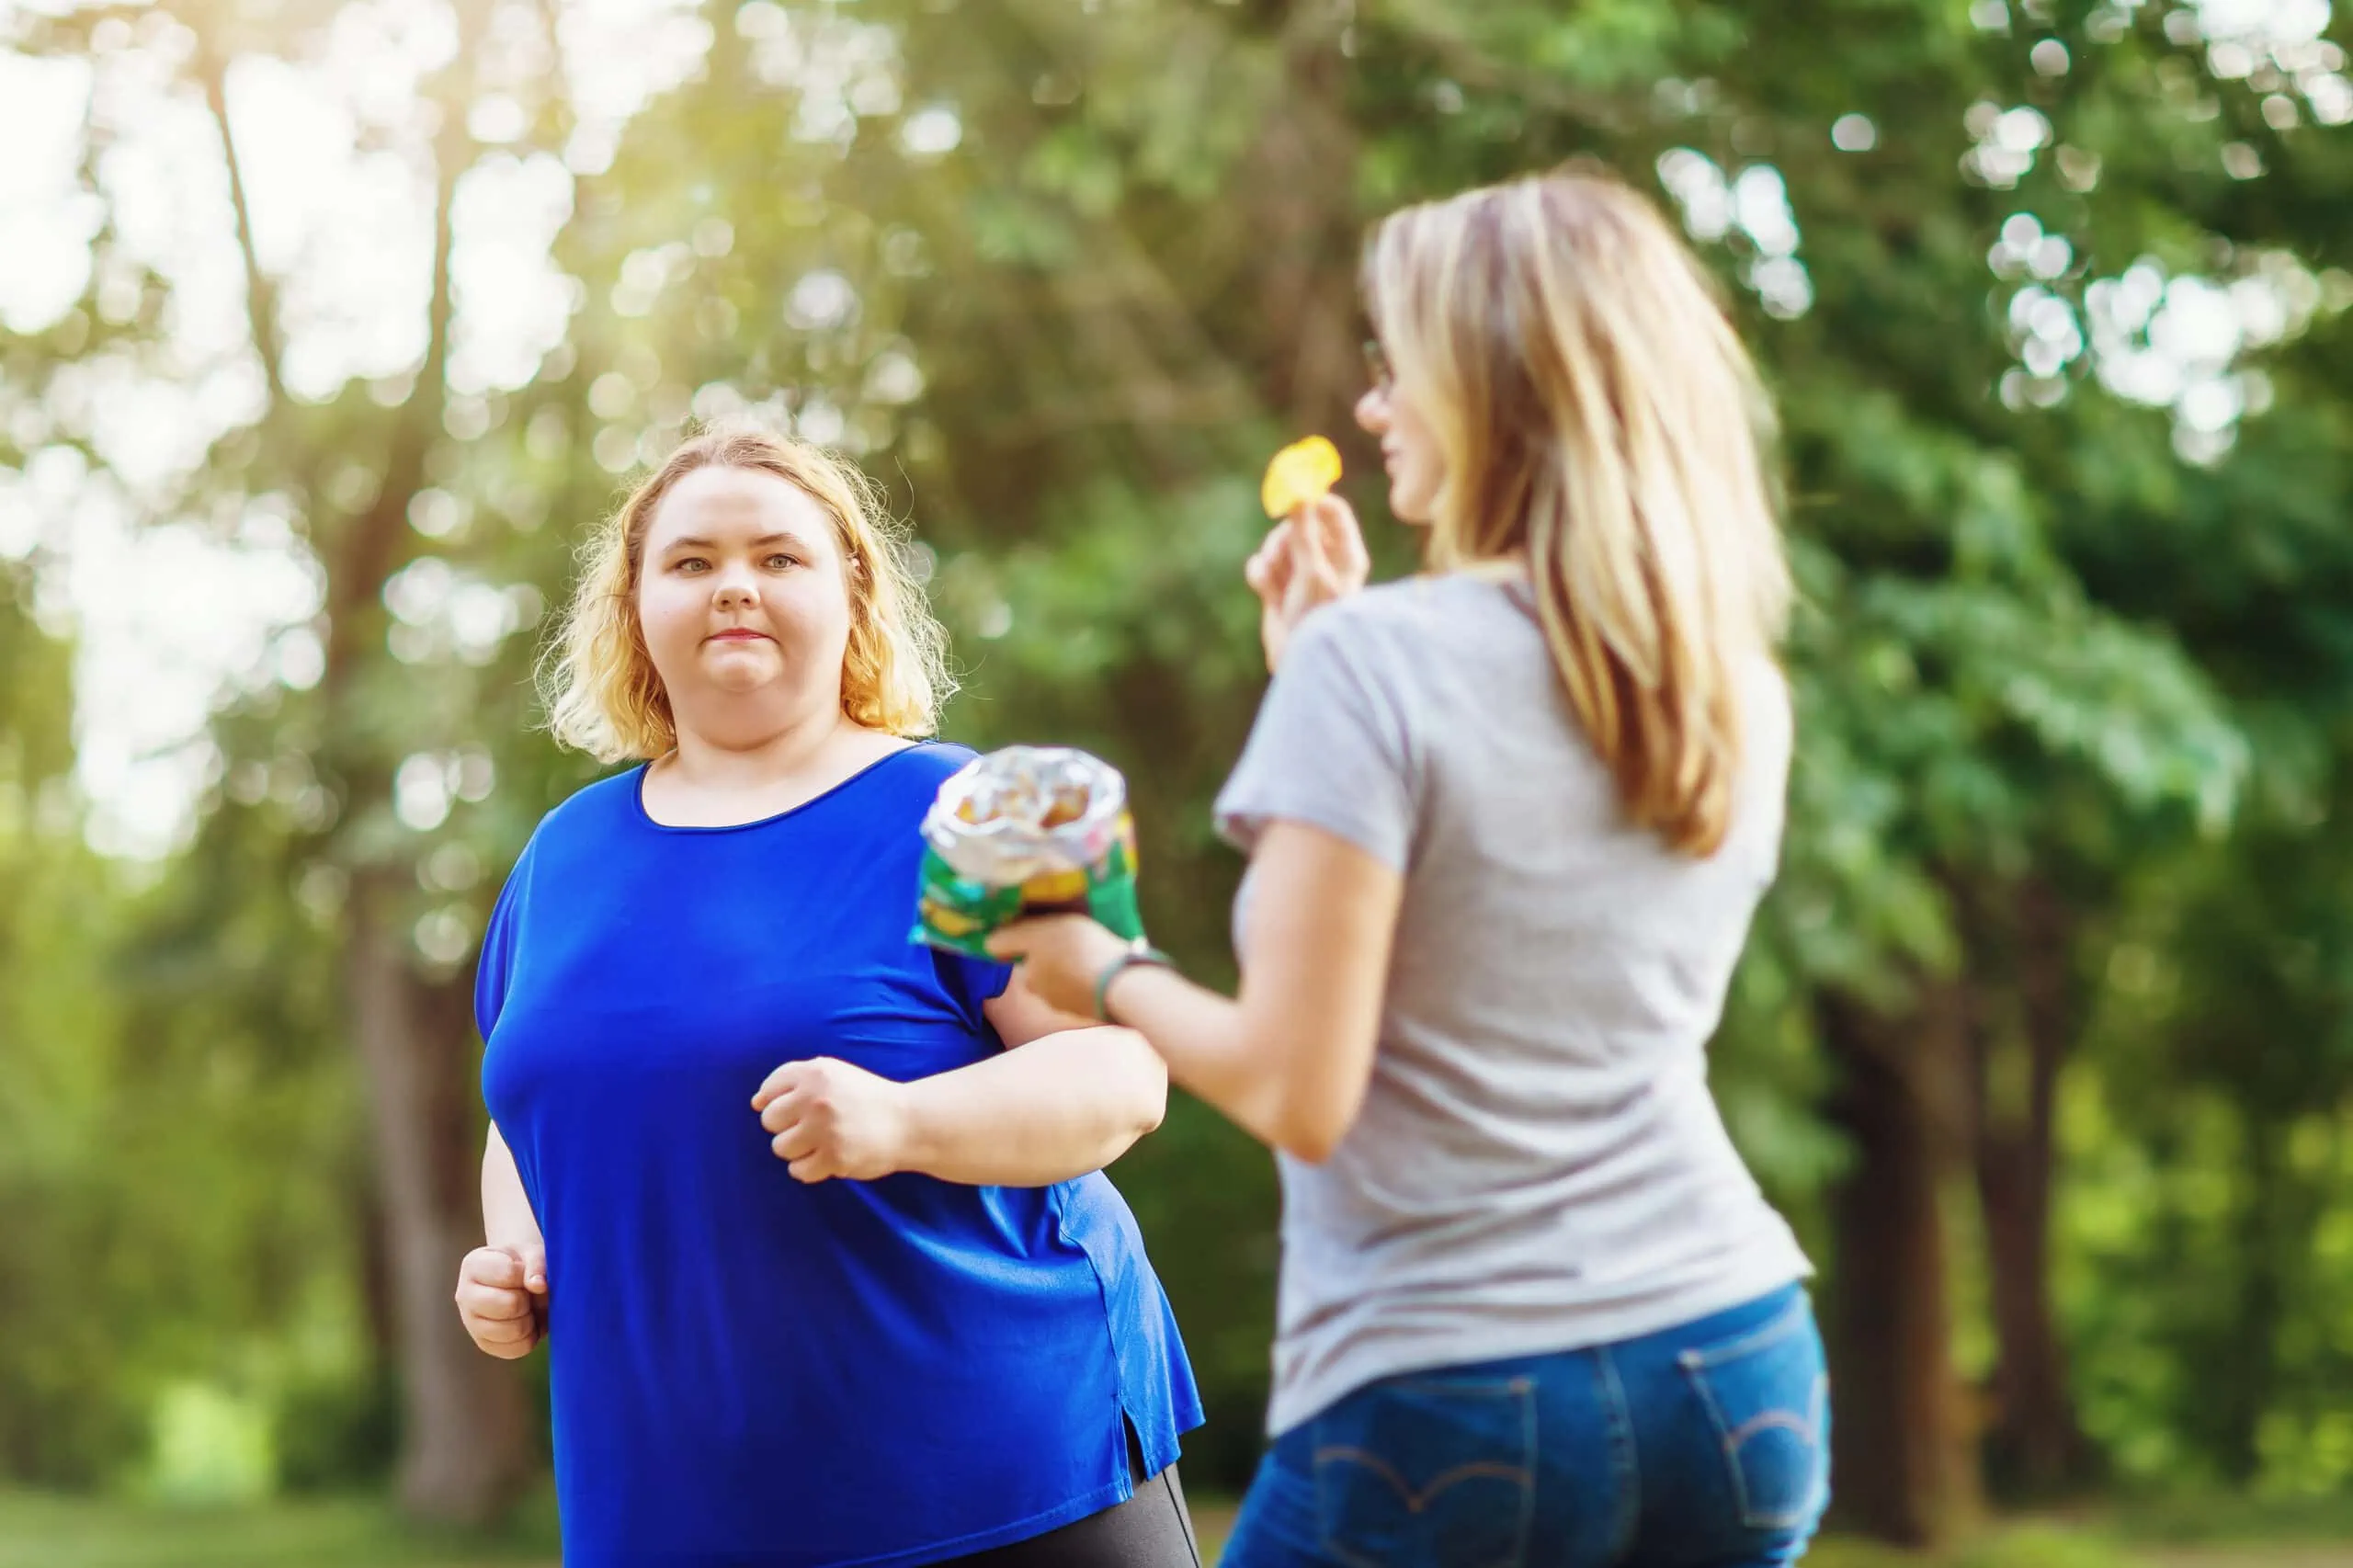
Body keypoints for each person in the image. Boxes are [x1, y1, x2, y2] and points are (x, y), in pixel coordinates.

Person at [993, 166, 1829, 1567]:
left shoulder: (1376, 669)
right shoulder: (1724, 679)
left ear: (1495, 386)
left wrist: (1102, 965)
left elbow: (1293, 1087)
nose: (1373, 405)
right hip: (1734, 1357)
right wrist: (1323, 658)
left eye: (1400, 369)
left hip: (1457, 1384)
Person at [451, 427, 1204, 1568]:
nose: (734, 585)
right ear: (635, 606)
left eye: (779, 557)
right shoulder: (563, 853)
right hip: (675, 1512)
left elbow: (1123, 1072)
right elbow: (527, 1109)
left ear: (852, 591)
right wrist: (517, 1253)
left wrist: (907, 1121)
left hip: (1004, 1483)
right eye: (691, 561)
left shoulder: (984, 804)